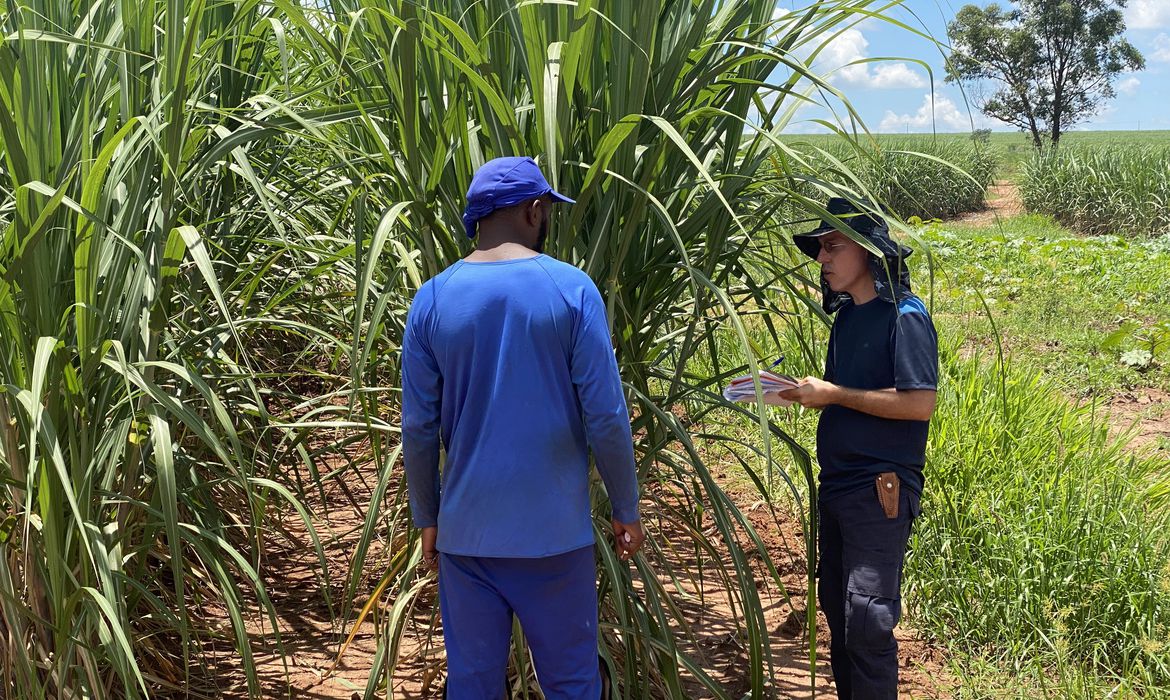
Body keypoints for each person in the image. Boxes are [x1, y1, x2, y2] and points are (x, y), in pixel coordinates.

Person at [400, 156, 644, 700]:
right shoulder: (572, 290)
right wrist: (626, 507)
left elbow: (417, 428)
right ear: (535, 210)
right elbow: (605, 416)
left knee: (472, 685)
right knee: (572, 684)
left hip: (467, 539)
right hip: (554, 540)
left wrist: (428, 517)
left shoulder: (433, 299)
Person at [779, 197, 938, 699]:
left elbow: (919, 404)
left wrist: (835, 395)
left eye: (831, 247)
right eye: (820, 249)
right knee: (839, 611)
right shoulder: (848, 318)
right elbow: (849, 396)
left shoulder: (905, 316)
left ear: (868, 252)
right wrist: (808, 392)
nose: (822, 259)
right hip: (839, 487)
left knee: (868, 620)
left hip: (878, 490)